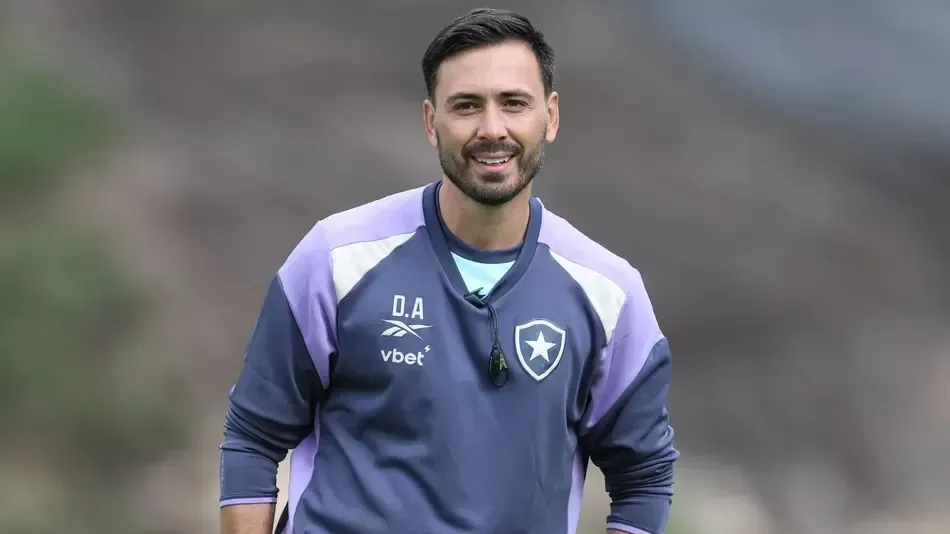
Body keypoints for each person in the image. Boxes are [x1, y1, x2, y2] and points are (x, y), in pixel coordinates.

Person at [218, 8, 677, 534]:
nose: (492, 129)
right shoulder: (336, 258)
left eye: (513, 103)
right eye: (466, 106)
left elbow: (643, 476)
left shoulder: (609, 294)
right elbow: (254, 434)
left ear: (550, 116)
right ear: (432, 122)